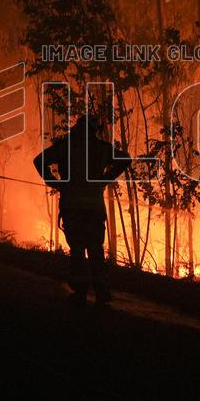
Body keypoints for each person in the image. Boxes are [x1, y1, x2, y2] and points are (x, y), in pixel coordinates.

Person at [33, 115, 131, 306]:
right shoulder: (101, 148)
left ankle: (80, 292)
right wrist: (106, 178)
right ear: (94, 130)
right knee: (95, 250)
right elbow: (125, 160)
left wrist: (53, 181)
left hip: (72, 209)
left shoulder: (66, 146)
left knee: (77, 250)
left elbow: (39, 160)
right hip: (93, 209)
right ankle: (101, 292)